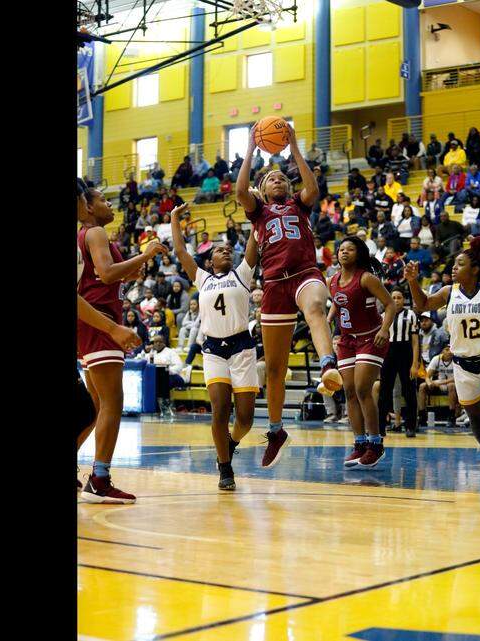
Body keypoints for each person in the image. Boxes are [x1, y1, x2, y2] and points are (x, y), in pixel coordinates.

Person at [236, 122, 343, 467]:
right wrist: (252, 148)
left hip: (304, 274)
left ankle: (329, 365)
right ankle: (277, 429)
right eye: (271, 179)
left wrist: (294, 145)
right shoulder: (258, 212)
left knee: (314, 307)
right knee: (275, 369)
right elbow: (240, 192)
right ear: (263, 191)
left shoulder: (301, 203)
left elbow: (312, 185)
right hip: (273, 285)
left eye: (282, 177)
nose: (278, 180)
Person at [78, 188, 168, 503]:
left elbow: (107, 275)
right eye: (102, 199)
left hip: (89, 322)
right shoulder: (96, 231)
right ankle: (99, 479)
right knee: (113, 402)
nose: (109, 203)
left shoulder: (87, 235)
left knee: (96, 404)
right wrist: (145, 255)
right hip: (101, 320)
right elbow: (105, 273)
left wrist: (135, 264)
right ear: (87, 206)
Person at [171, 205, 261, 488]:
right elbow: (182, 252)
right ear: (209, 262)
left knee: (245, 418)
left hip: (242, 347)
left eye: (228, 250)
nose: (226, 252)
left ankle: (231, 443)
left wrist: (256, 210)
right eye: (219, 251)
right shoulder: (202, 278)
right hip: (213, 350)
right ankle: (225, 469)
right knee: (220, 409)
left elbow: (253, 241)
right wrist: (175, 219)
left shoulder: (243, 274)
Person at [403, 234, 480, 481]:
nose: (454, 267)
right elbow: (423, 304)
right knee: (476, 419)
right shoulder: (449, 292)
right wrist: (413, 282)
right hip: (463, 365)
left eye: (460, 264)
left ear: (475, 269)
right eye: (454, 264)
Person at [329, 237, 397, 468]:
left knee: (362, 388)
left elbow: (390, 305)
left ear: (359, 254)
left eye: (350, 249)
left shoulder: (367, 278)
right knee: (348, 391)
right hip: (347, 340)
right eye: (341, 249)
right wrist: (328, 320)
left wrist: (385, 330)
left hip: (371, 337)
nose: (344, 252)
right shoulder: (333, 280)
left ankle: (375, 444)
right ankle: (359, 444)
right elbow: (339, 302)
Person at [380, 289, 420, 437]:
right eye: (393, 298)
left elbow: (415, 342)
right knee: (384, 391)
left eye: (399, 298)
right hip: (388, 353)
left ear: (404, 300)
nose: (396, 300)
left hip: (405, 352)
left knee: (409, 391)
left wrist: (415, 363)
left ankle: (410, 426)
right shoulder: (383, 316)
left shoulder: (411, 315)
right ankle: (380, 426)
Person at [418, 345, 459, 429]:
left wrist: (440, 383)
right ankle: (422, 416)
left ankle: (451, 417)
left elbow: (457, 378)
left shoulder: (456, 359)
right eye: (447, 350)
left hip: (454, 385)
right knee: (422, 386)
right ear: (442, 352)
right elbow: (427, 376)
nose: (449, 352)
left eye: (451, 350)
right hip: (440, 384)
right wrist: (429, 383)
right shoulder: (436, 359)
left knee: (451, 386)